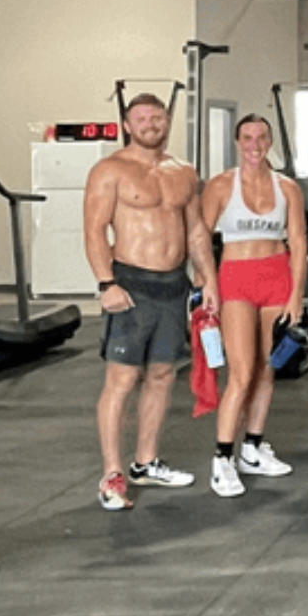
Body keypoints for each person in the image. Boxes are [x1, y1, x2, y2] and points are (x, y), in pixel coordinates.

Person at [83, 93, 219, 511]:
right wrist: (106, 283)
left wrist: (208, 279)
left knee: (161, 375)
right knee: (122, 381)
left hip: (172, 285)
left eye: (157, 117)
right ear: (128, 124)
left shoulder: (183, 172)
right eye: (142, 118)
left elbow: (195, 230)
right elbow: (93, 230)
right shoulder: (111, 169)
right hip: (131, 283)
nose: (151, 124)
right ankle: (112, 474)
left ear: (166, 122)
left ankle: (145, 462)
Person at [200, 115, 308, 498]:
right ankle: (222, 457)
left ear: (270, 141)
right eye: (247, 137)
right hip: (236, 278)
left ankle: (253, 447)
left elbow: (298, 241)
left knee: (268, 368)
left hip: (277, 277)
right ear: (237, 141)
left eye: (261, 137)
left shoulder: (287, 188)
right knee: (242, 373)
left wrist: (297, 293)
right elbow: (199, 238)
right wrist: (208, 283)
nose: (254, 144)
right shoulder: (219, 186)